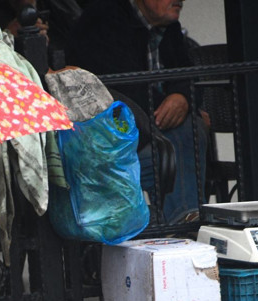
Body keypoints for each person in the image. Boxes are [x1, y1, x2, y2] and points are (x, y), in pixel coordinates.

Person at [66, 0, 208, 224]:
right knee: (187, 130)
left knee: (189, 129)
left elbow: (189, 76)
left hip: (155, 139)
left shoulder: (169, 27)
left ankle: (181, 221)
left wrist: (182, 98)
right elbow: (124, 93)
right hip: (111, 148)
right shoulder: (103, 20)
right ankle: (183, 223)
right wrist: (175, 106)